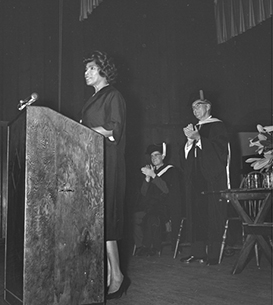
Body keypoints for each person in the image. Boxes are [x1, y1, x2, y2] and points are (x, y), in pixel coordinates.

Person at [80, 50, 129, 299]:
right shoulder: (95, 97)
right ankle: (111, 274)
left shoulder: (113, 95)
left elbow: (114, 129)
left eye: (90, 68)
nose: (86, 73)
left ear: (103, 70)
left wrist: (81, 131)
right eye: (86, 69)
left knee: (107, 221)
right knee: (100, 222)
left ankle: (117, 275)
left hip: (109, 164)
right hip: (94, 165)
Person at [180, 98, 229, 265]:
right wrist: (189, 141)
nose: (194, 110)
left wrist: (199, 139)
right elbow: (188, 156)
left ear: (208, 106)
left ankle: (213, 255)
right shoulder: (195, 127)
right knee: (195, 214)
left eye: (198, 106)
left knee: (211, 214)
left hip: (211, 179)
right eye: (193, 107)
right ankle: (197, 252)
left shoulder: (218, 126)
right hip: (195, 179)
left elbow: (219, 152)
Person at [134, 143, 178, 256]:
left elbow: (167, 190)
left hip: (164, 208)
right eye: (152, 156)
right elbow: (143, 193)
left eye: (157, 155)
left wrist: (153, 175)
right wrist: (147, 178)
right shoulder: (151, 171)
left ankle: (154, 247)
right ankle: (140, 246)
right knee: (134, 218)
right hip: (150, 207)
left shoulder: (171, 171)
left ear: (163, 156)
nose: (154, 158)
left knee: (152, 218)